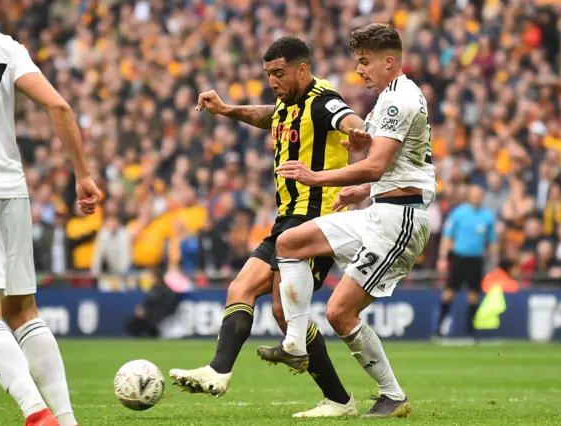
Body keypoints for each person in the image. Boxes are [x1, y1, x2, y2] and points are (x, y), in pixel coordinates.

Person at [169, 36, 365, 418]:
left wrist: (358, 132)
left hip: (317, 222)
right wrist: (226, 109)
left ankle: (340, 401)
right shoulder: (286, 104)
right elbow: (268, 116)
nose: (273, 81)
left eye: (279, 73)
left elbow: (346, 117)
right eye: (268, 74)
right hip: (286, 220)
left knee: (281, 308)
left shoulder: (323, 99)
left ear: (301, 69)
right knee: (240, 288)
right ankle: (218, 371)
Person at [256, 24, 435, 418]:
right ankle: (295, 344)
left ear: (389, 62)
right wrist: (364, 191)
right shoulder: (390, 97)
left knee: (339, 313)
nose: (360, 71)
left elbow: (374, 166)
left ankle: (393, 395)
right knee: (290, 243)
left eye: (365, 62)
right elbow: (395, 166)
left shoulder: (397, 100)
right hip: (382, 210)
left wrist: (317, 176)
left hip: (400, 221)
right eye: (358, 62)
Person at [0, 29, 101, 426]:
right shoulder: (5, 46)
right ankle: (65, 420)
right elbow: (60, 107)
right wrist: (83, 174)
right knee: (22, 309)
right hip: (10, 188)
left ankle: (37, 413)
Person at [436, 184, 498, 339]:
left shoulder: (488, 216)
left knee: (474, 295)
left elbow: (492, 242)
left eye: (479, 194)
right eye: (474, 194)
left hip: (476, 259)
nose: (477, 197)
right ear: (469, 196)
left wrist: (494, 263)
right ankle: (441, 327)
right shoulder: (459, 213)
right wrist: (443, 258)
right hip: (459, 258)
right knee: (449, 293)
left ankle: (470, 331)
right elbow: (447, 236)